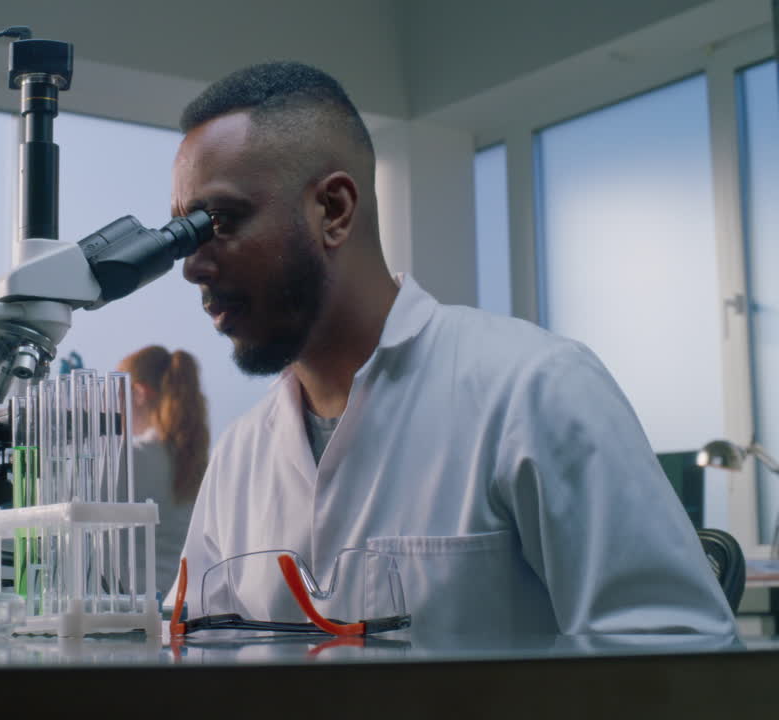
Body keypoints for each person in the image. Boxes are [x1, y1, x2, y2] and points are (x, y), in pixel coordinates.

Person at [170, 61, 734, 637]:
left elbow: (676, 652)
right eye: (183, 233)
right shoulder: (241, 455)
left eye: (220, 219)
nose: (191, 265)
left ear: (334, 210)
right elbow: (194, 647)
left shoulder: (536, 389)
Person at [118, 346, 209, 592]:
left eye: (117, 395)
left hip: (133, 606)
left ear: (138, 393)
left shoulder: (128, 459)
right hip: (184, 602)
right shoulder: (200, 460)